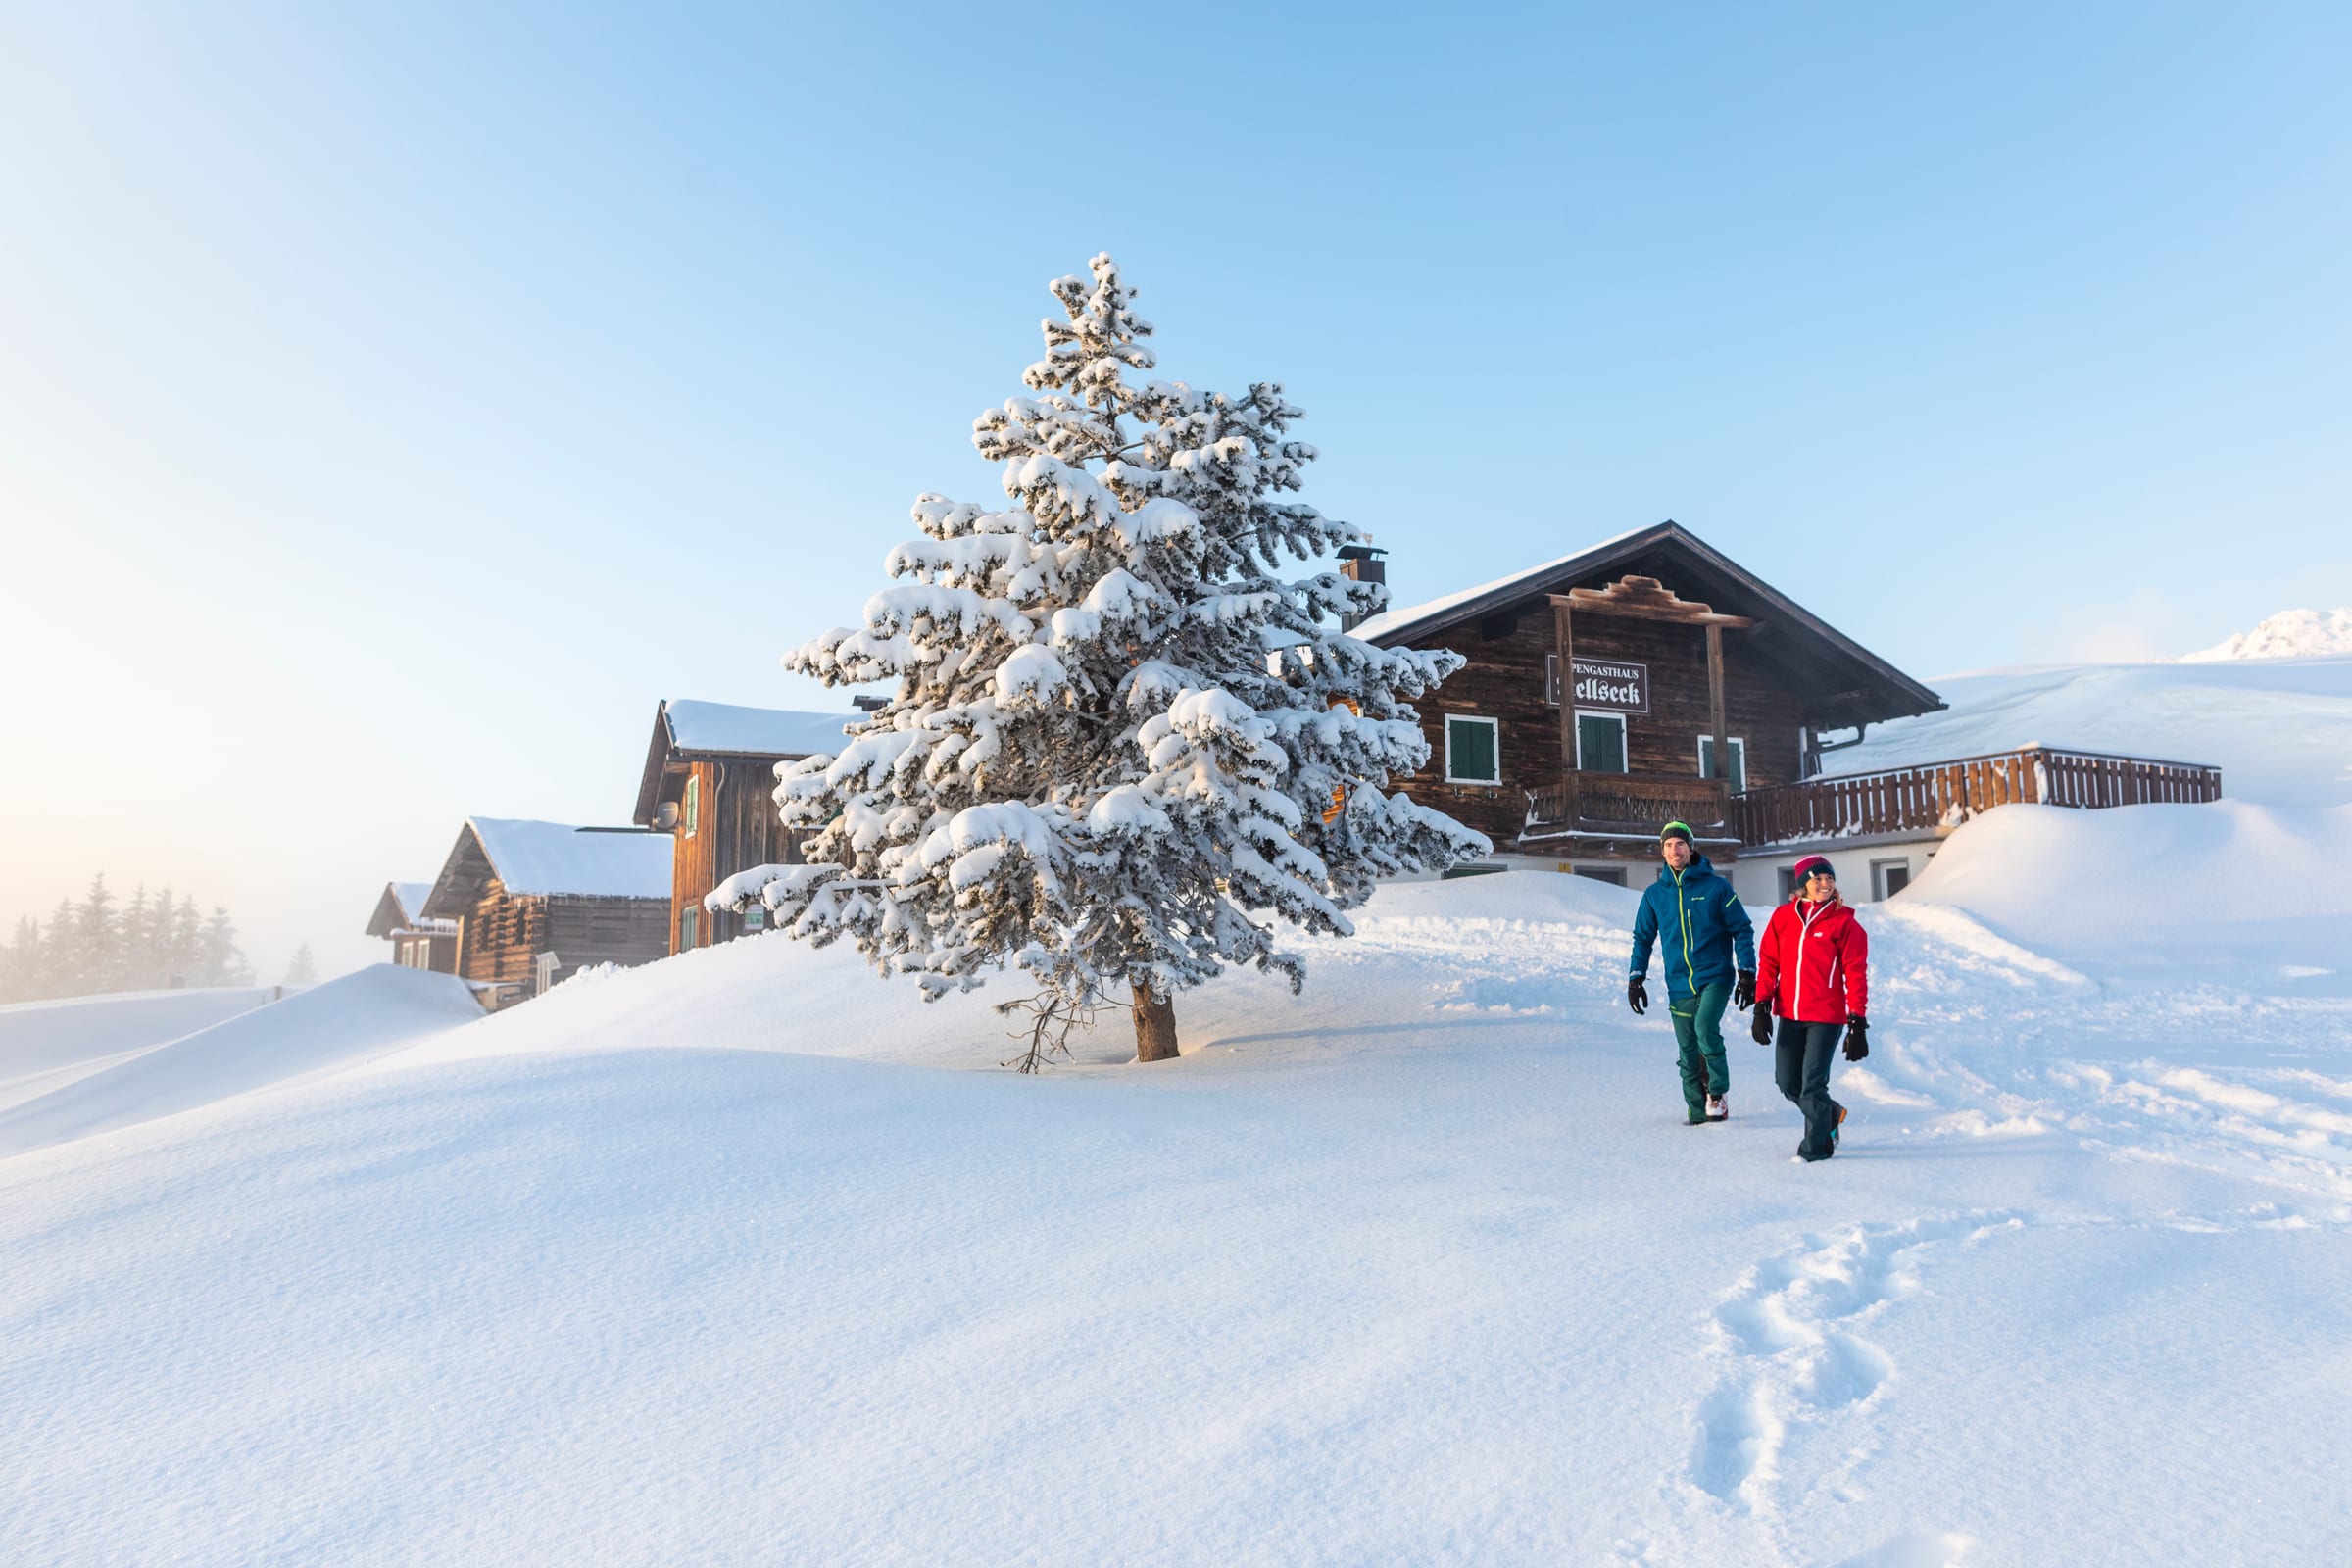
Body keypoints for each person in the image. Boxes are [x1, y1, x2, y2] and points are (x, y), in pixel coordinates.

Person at [1629, 821, 1756, 1125]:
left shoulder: (1716, 887)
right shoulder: (1654, 895)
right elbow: (1642, 938)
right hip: (1678, 982)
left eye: (1680, 844)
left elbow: (1742, 928)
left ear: (1691, 848)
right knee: (1687, 1050)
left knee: (1704, 1028)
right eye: (1669, 845)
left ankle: (1717, 1093)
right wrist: (1636, 977)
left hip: (1715, 976)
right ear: (1663, 851)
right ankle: (1696, 1114)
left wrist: (1747, 971)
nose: (1675, 849)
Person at [1751, 854, 1871, 1162]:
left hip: (1826, 1017)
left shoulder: (1844, 922)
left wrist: (1857, 1021)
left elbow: (1855, 973)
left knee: (1812, 1086)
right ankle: (1830, 1113)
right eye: (1817, 878)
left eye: (1829, 878)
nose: (1825, 884)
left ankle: (1815, 1149)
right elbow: (1769, 962)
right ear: (1803, 883)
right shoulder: (1782, 917)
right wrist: (1762, 1005)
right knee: (1787, 1082)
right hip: (1789, 1014)